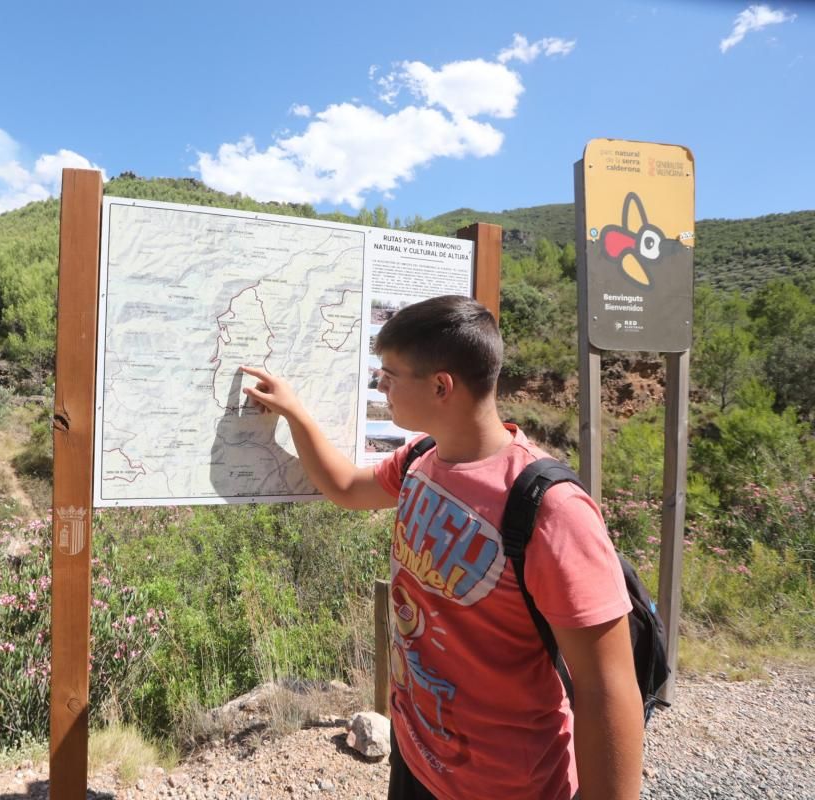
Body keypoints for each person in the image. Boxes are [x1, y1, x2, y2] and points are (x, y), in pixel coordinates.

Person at [240, 295, 642, 800]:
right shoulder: (422, 458)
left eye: (389, 374)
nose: (380, 386)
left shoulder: (550, 509)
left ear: (440, 385)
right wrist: (294, 412)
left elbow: (608, 686)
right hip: (417, 757)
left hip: (504, 784)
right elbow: (346, 487)